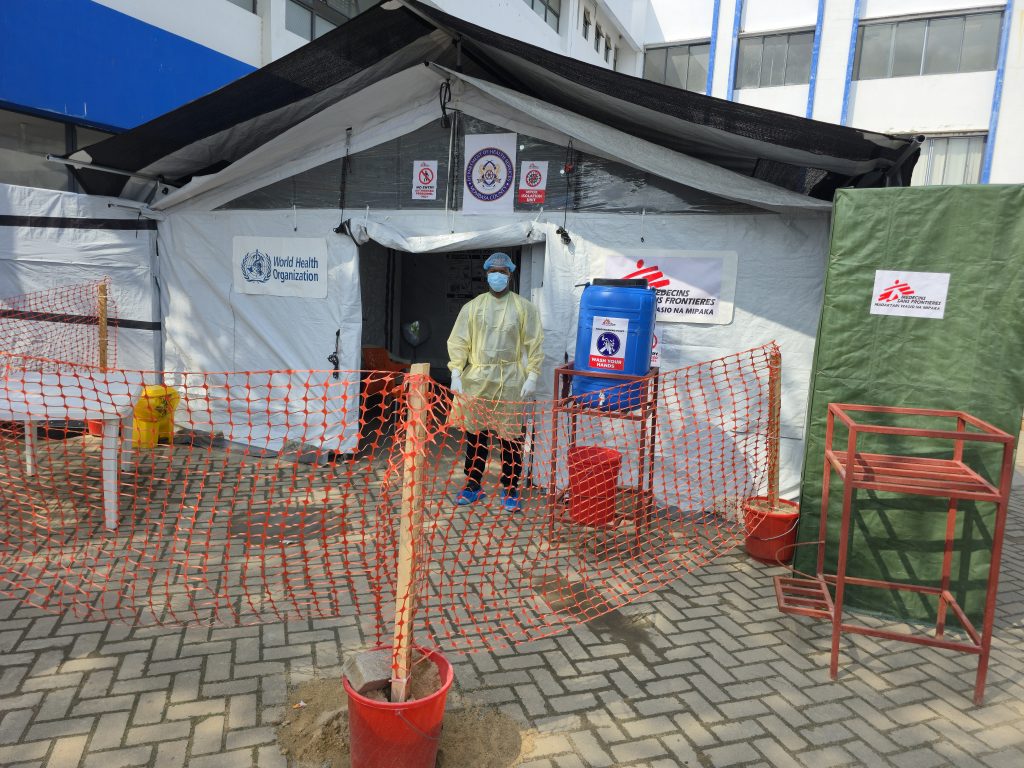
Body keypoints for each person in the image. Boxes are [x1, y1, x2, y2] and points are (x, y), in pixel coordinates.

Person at [447, 252, 544, 511]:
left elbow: (534, 342)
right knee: (476, 436)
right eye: (493, 271)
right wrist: (456, 372)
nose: (497, 275)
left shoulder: (524, 308)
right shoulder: (473, 307)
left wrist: (532, 374)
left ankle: (511, 489)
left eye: (502, 271)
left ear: (510, 274)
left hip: (510, 379)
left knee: (510, 439)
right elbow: (458, 341)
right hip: (477, 379)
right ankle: (472, 485)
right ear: (486, 274)